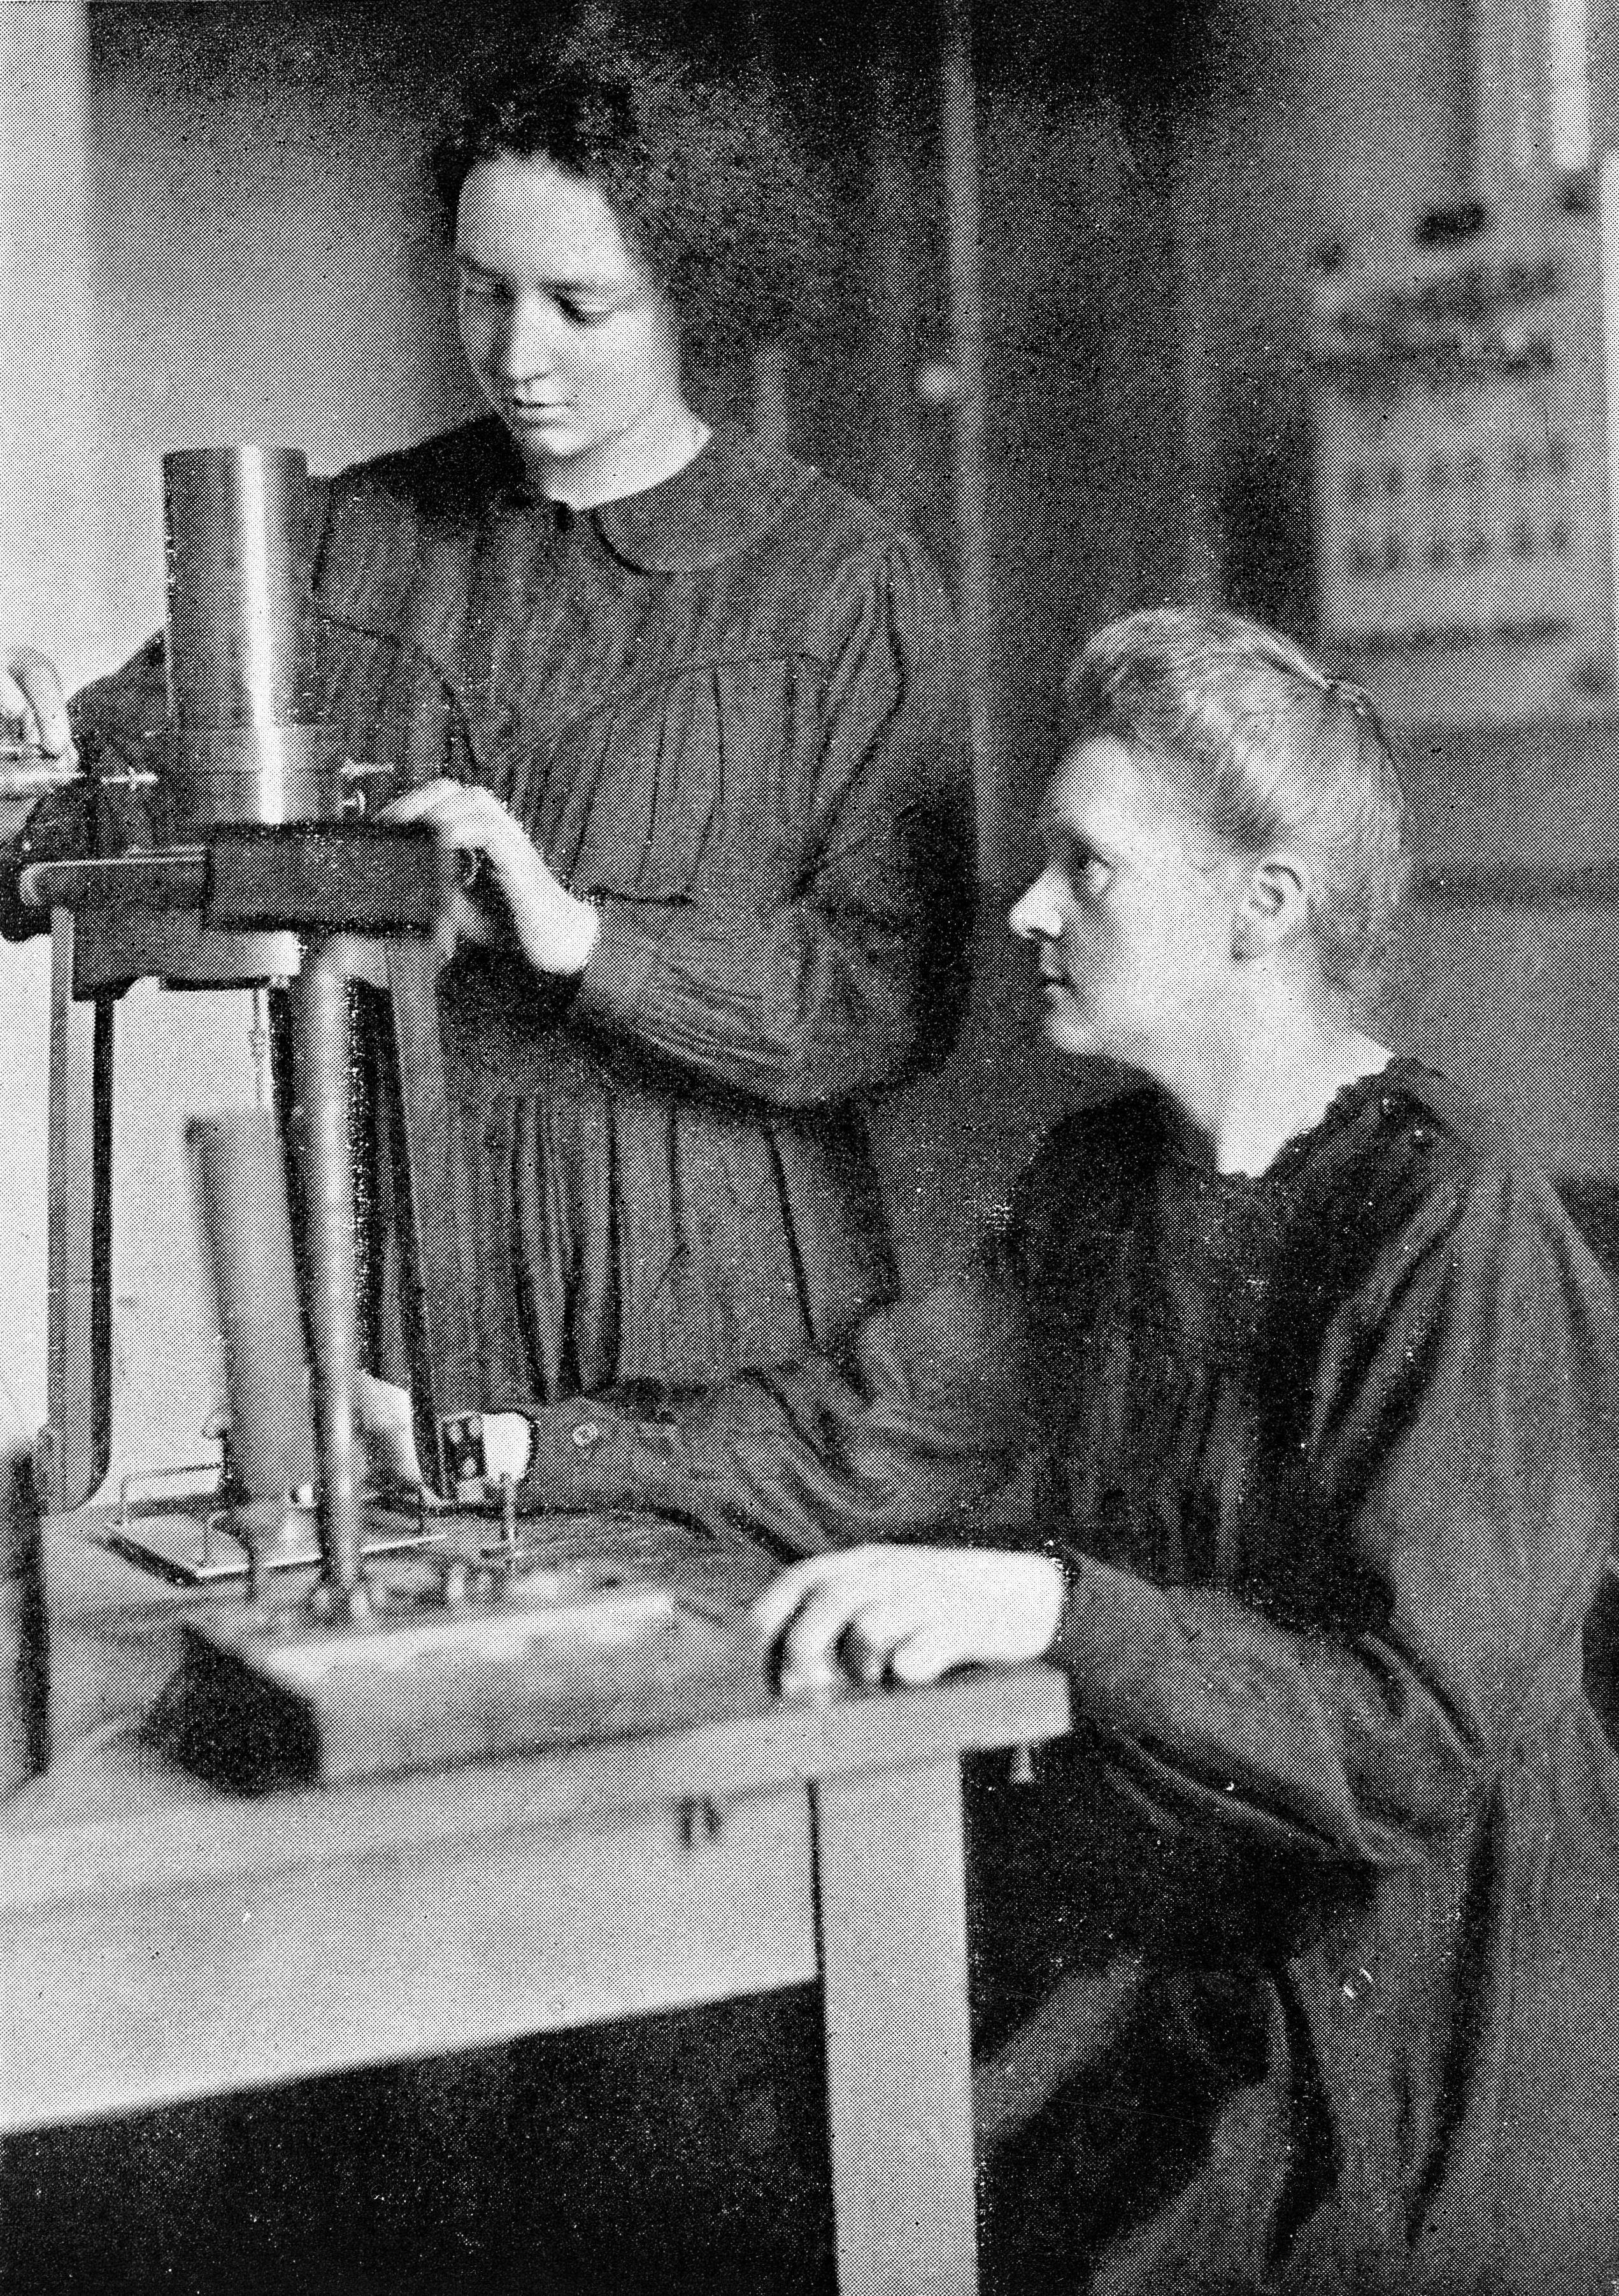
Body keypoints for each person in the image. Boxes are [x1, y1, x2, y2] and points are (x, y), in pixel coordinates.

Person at [497, 606, 1619, 2294]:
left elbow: (1410, 1735)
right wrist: (525, 1446)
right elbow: (849, 1437)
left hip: (1423, 2018)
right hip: (1190, 1927)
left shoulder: (1441, 1216)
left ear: (1264, 908)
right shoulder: (1101, 1180)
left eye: (1083, 868)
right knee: (782, 2158)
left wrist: (1050, 1609)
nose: (1025, 907)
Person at [0, 14, 973, 1476]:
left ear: (687, 293)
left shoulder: (840, 585)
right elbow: (88, 816)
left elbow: (887, 994)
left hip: (716, 1282)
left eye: (582, 305)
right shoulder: (346, 543)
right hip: (412, 1258)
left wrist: (586, 939)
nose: (517, 355)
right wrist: (25, 778)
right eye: (482, 293)